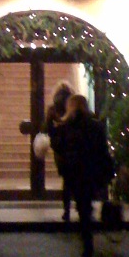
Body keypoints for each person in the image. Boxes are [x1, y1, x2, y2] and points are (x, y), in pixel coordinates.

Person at [50, 94, 113, 257]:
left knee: (82, 204)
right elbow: (103, 149)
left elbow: (57, 146)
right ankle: (87, 235)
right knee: (86, 203)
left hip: (74, 171)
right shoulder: (96, 125)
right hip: (92, 169)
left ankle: (87, 240)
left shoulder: (66, 126)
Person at [45, 81, 74, 222]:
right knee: (78, 178)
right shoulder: (73, 106)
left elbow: (47, 127)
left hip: (60, 148)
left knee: (66, 180)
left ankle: (66, 211)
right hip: (74, 146)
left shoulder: (52, 108)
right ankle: (84, 208)